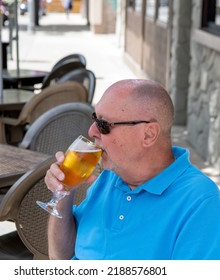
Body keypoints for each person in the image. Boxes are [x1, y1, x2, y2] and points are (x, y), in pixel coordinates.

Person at [45, 79, 220, 260]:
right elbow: (61, 257)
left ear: (148, 134)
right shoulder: (110, 176)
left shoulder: (200, 201)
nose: (92, 131)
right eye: (94, 118)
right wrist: (64, 192)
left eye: (104, 125)